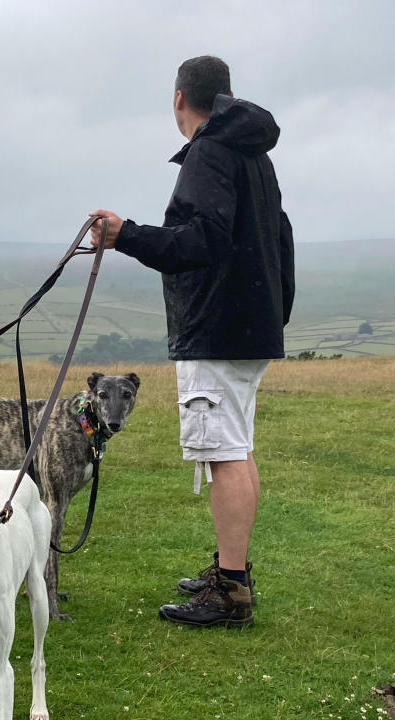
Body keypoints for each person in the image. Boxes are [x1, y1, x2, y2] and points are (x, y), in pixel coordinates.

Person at [89, 55, 295, 628]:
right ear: (225, 94)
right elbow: (279, 234)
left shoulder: (209, 151)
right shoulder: (253, 152)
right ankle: (233, 575)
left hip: (217, 325)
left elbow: (199, 241)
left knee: (226, 454)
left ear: (180, 98)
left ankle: (230, 593)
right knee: (239, 448)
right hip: (250, 324)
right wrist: (274, 312)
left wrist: (124, 234)